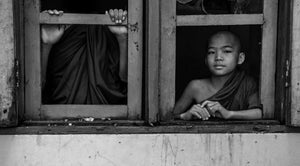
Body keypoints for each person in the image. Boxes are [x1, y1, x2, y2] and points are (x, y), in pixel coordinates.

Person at [41, 9, 128, 104]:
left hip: (111, 115)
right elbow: (39, 88)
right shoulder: (59, 35)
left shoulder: (107, 33)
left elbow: (125, 80)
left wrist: (122, 37)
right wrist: (47, 43)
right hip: (60, 115)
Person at [173, 31, 262, 120]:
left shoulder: (247, 83)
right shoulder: (195, 87)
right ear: (206, 60)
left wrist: (229, 114)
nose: (218, 57)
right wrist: (185, 115)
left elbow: (259, 113)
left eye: (227, 51)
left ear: (240, 58)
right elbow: (169, 117)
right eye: (212, 52)